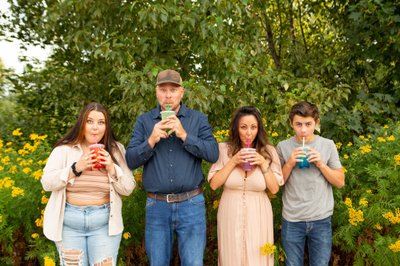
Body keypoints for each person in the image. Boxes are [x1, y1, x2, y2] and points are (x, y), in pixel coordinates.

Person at [125, 69, 219, 266]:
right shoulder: (144, 121)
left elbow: (213, 153)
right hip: (157, 205)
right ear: (156, 92)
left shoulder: (197, 119)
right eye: (163, 89)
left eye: (173, 90)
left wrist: (185, 135)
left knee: (193, 263)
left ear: (181, 93)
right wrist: (151, 140)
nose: (168, 95)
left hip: (191, 203)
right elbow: (131, 160)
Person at [41, 102, 135, 266]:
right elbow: (47, 183)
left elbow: (128, 189)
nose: (95, 127)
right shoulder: (65, 150)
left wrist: (112, 168)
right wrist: (76, 168)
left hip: (105, 224)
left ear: (106, 127)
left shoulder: (116, 150)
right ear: (82, 124)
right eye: (90, 121)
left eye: (101, 122)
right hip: (69, 224)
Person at [208, 106, 284, 266]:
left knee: (257, 257)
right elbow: (214, 184)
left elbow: (274, 189)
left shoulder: (268, 151)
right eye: (244, 127)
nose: (249, 132)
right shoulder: (223, 149)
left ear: (259, 129)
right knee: (231, 256)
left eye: (253, 127)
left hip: (259, 212)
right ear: (236, 128)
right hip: (230, 210)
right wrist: (233, 161)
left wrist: (263, 164)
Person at [276, 101, 345, 266]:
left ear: (317, 122)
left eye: (308, 124)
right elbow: (278, 183)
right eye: (298, 124)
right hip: (292, 219)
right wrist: (290, 162)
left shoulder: (327, 145)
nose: (303, 130)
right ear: (291, 123)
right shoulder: (283, 146)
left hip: (321, 218)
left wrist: (321, 164)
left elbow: (340, 182)